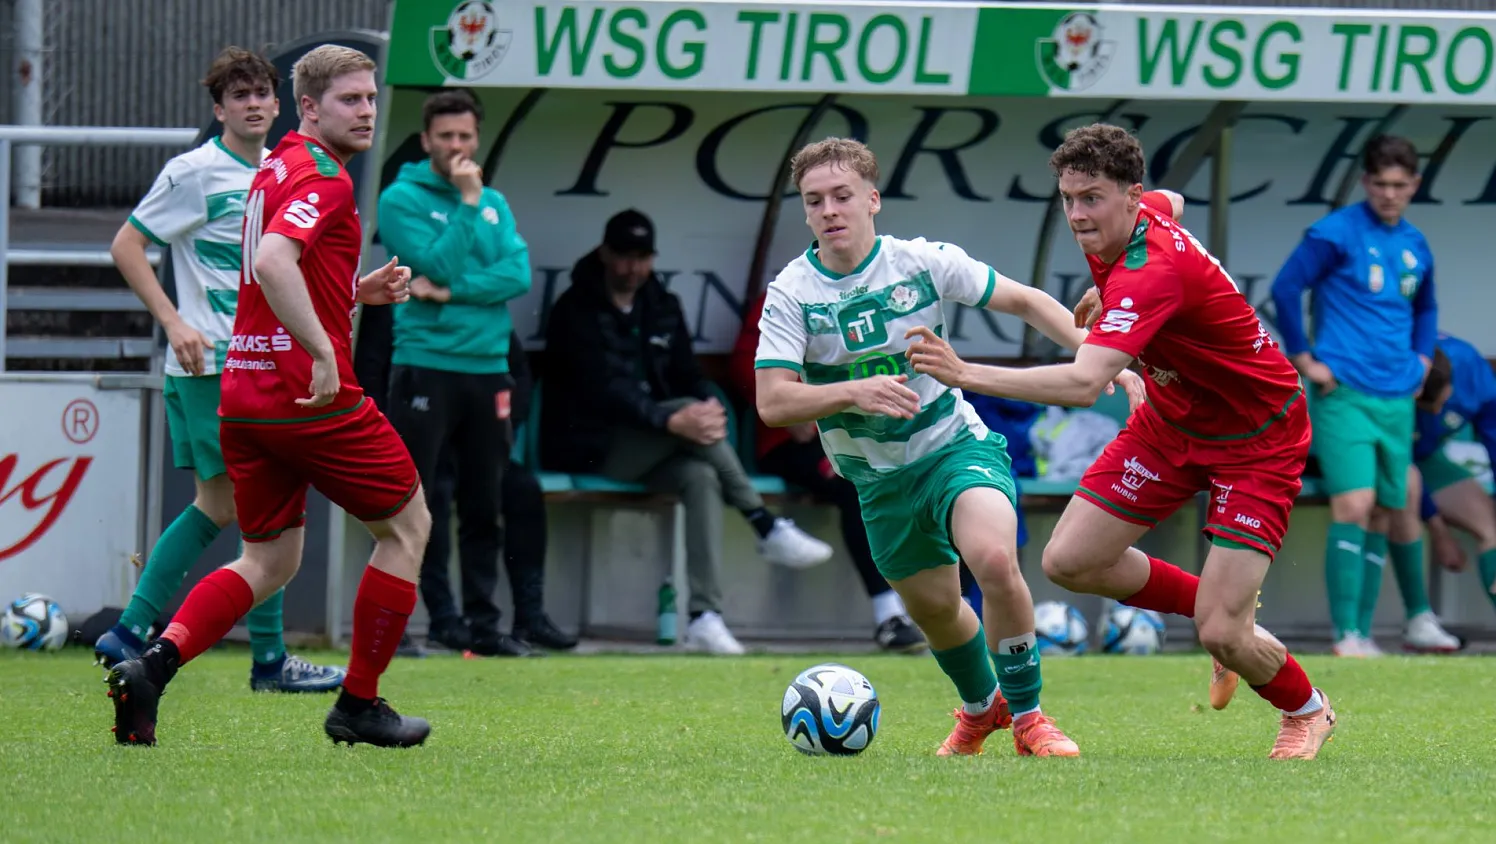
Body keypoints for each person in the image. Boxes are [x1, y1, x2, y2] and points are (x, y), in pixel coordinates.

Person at [908, 123, 1337, 760]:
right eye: (1069, 198)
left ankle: (1306, 709)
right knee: (1069, 561)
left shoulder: (1150, 270)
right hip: (1171, 422)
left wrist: (965, 372)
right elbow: (1175, 202)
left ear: (1129, 197)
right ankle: (1228, 613)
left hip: (1257, 438)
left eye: (1093, 198)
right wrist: (1107, 291)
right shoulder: (1139, 216)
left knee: (1222, 633)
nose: (1078, 215)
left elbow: (1085, 383)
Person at [755, 137, 1146, 757]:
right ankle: (978, 708)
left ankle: (1029, 718)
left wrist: (1099, 354)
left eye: (842, 196)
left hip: (953, 447)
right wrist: (854, 392)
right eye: (814, 201)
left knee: (993, 560)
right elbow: (773, 402)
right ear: (804, 212)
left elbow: (1023, 300)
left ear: (872, 200)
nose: (830, 209)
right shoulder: (792, 294)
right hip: (880, 480)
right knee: (936, 612)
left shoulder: (920, 261)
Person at [105, 45, 432, 749]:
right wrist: (322, 349)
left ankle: (150, 669)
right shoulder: (327, 177)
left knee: (268, 559)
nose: (368, 110)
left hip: (244, 392)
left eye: (372, 97)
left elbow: (277, 271)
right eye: (351, 99)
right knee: (407, 528)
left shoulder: (274, 165)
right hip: (305, 394)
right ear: (310, 106)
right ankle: (359, 704)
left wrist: (354, 289)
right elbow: (271, 261)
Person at [95, 47, 344, 693]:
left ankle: (159, 637)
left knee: (258, 508)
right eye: (240, 96)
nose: (256, 104)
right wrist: (174, 322)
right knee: (236, 506)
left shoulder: (281, 168)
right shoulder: (195, 171)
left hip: (261, 362)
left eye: (263, 92)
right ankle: (150, 632)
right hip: (212, 358)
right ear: (219, 109)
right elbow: (127, 244)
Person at [542, 209, 835, 655]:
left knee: (700, 476)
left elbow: (685, 372)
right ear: (604, 253)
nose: (631, 268)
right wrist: (671, 418)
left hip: (656, 447)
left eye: (641, 257)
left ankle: (704, 615)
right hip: (588, 447)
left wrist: (706, 402)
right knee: (685, 413)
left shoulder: (661, 304)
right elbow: (600, 389)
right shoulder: (574, 307)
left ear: (652, 258)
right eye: (622, 256)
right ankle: (764, 525)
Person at [1269, 134, 1458, 656]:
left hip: (1397, 393)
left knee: (1388, 508)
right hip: (1344, 390)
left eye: (1400, 185)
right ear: (1364, 182)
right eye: (1381, 184)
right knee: (1354, 503)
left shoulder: (1415, 242)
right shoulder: (1334, 233)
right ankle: (1346, 634)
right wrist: (1306, 359)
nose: (1390, 194)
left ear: (1415, 185)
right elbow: (1286, 288)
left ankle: (1370, 631)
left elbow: (1427, 307)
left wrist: (1422, 358)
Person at [376, 89, 533, 657]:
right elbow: (433, 263)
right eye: (446, 136)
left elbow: (517, 274)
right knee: (421, 503)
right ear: (426, 141)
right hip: (425, 366)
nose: (458, 145)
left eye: (466, 135)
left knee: (484, 502)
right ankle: (433, 622)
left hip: (488, 368)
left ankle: (485, 626)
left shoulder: (495, 200)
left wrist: (453, 292)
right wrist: (466, 205)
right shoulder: (401, 198)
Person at [730, 290, 926, 653]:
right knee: (856, 482)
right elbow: (744, 363)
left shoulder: (879, 290)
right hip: (794, 440)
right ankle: (889, 616)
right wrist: (797, 407)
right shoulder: (789, 291)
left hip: (864, 432)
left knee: (930, 479)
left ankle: (944, 607)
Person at [425, 333, 578, 651]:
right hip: (426, 443)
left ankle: (526, 617)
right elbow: (376, 369)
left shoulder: (489, 312)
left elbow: (520, 375)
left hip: (481, 444)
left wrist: (500, 427)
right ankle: (443, 618)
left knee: (521, 489)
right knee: (431, 498)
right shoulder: (409, 306)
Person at [1410, 335, 1496, 621]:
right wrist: (1440, 533)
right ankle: (1418, 620)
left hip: (1430, 459)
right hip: (1390, 462)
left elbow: (1494, 440)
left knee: (1490, 526)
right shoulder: (1399, 375)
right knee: (1400, 498)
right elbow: (1401, 462)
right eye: (1426, 407)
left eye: (1440, 402)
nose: (1435, 412)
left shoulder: (1470, 369)